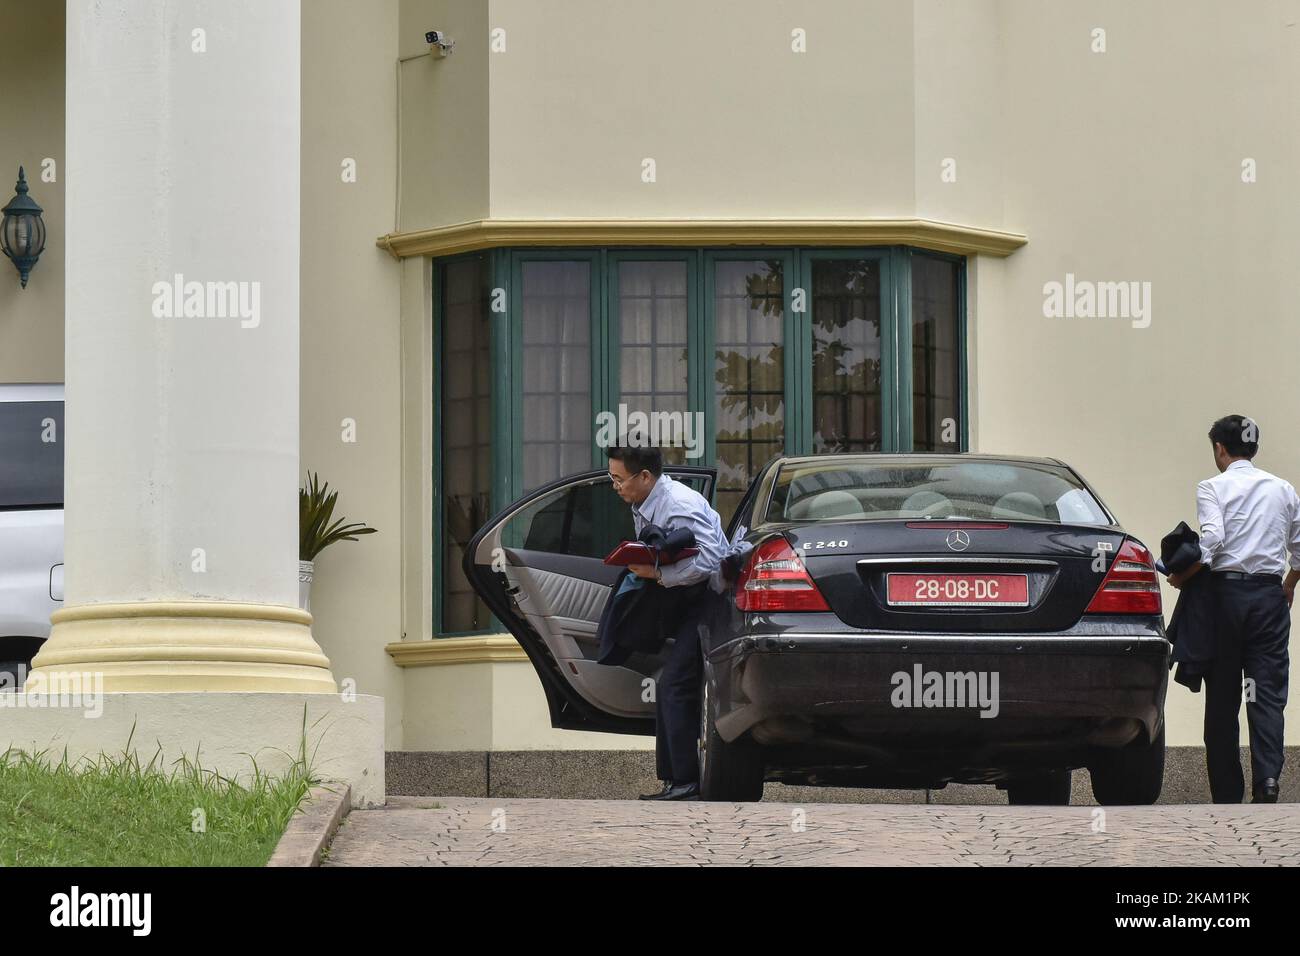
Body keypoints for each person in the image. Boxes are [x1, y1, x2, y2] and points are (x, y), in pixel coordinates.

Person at [1167, 415, 1300, 803]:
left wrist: (1184, 573)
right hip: (1269, 599)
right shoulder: (1284, 489)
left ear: (1219, 449)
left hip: (1223, 599)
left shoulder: (1212, 486)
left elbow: (1213, 539)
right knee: (1265, 695)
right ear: (1253, 449)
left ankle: (1227, 793)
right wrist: (1287, 587)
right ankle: (1268, 782)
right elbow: (1299, 549)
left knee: (1223, 697)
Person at [604, 443, 727, 801]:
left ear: (644, 476)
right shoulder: (645, 500)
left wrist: (657, 572)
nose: (616, 487)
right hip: (682, 599)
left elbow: (711, 560)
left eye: (618, 479)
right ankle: (675, 781)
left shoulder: (679, 503)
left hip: (707, 600)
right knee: (668, 683)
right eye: (612, 479)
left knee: (674, 683)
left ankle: (686, 783)